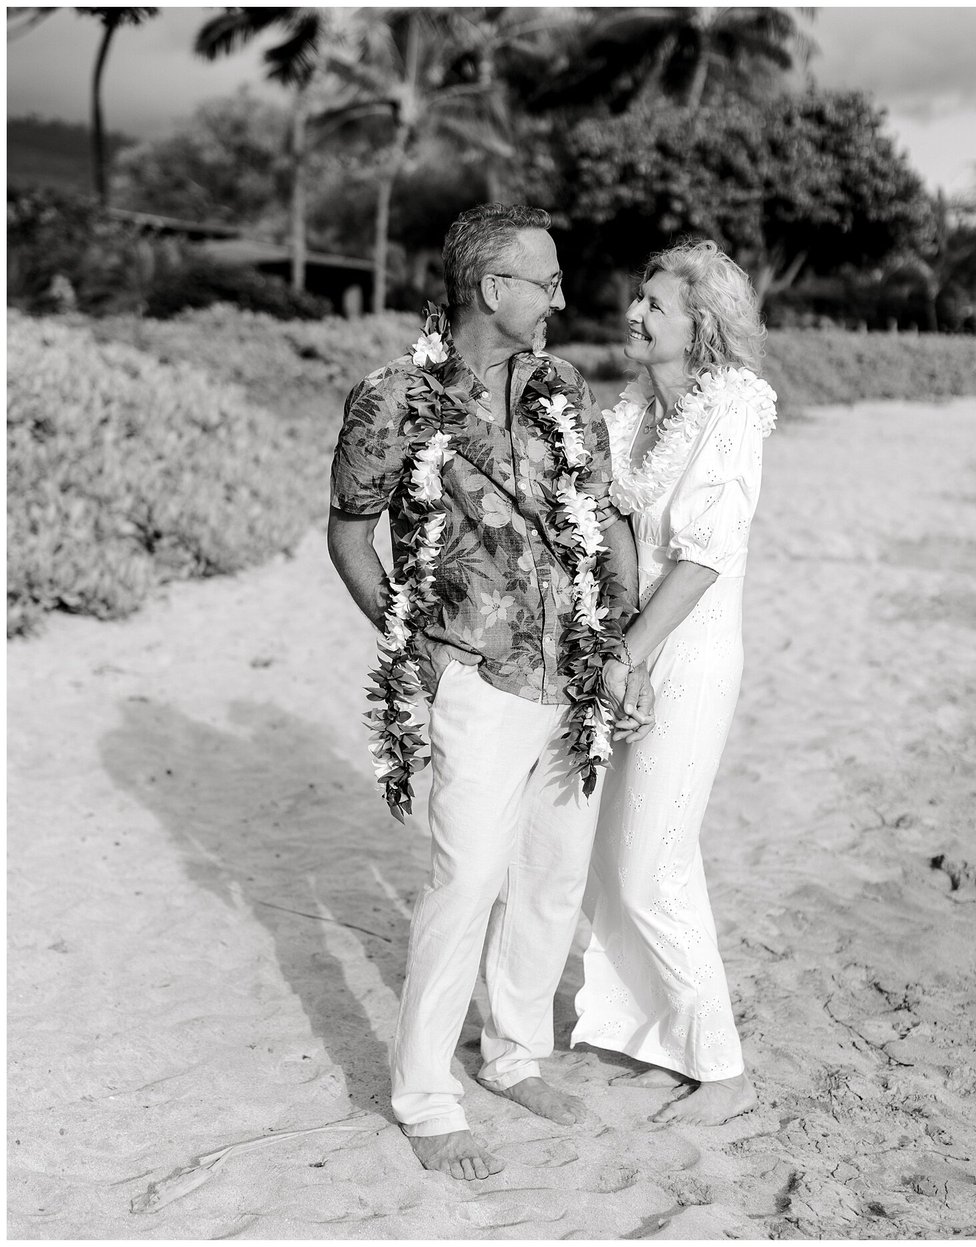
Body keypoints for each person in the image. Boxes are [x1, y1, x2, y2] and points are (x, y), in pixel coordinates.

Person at [327, 203, 654, 1182]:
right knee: (464, 878)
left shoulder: (560, 386)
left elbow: (602, 518)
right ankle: (425, 1094)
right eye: (543, 279)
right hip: (474, 671)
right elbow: (349, 535)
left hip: (574, 672)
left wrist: (623, 642)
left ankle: (512, 1052)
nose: (560, 296)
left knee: (551, 876)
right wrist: (410, 644)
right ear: (489, 289)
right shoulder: (394, 396)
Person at [572, 239, 777, 1126]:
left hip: (688, 653)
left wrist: (633, 656)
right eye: (638, 300)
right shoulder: (631, 414)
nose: (635, 315)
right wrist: (612, 642)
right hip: (635, 643)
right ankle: (644, 1035)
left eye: (655, 304)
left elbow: (703, 557)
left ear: (703, 325)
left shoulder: (732, 406)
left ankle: (723, 1071)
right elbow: (615, 531)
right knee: (614, 855)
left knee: (653, 862)